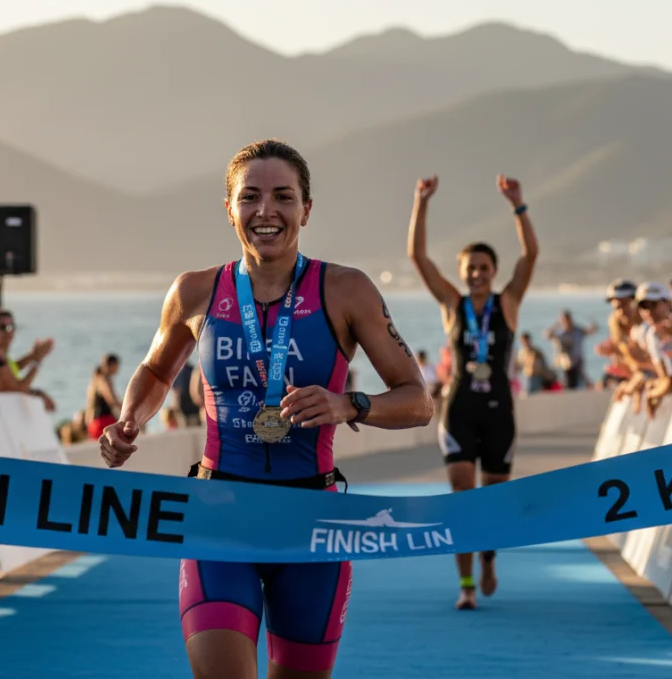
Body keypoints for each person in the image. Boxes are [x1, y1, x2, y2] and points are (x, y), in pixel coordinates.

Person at [98, 139, 433, 679]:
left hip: (313, 522)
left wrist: (349, 404)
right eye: (250, 197)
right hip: (219, 512)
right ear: (229, 209)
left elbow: (418, 402)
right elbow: (156, 371)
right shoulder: (195, 291)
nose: (266, 211)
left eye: (283, 196)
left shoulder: (346, 290)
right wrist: (131, 419)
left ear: (307, 208)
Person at [405, 172, 538, 610]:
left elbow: (530, 254)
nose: (477, 274)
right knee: (463, 501)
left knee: (493, 500)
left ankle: (488, 559)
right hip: (459, 411)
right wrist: (422, 202)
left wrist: (517, 205)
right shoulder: (452, 304)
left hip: (499, 414)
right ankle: (465, 584)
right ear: (461, 273)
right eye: (470, 268)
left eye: (484, 268)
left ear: (494, 272)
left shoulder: (508, 303)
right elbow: (418, 256)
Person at [86, 353, 121, 440]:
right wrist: (129, 409)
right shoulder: (103, 380)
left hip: (92, 424)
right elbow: (112, 401)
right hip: (102, 423)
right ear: (113, 365)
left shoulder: (95, 379)